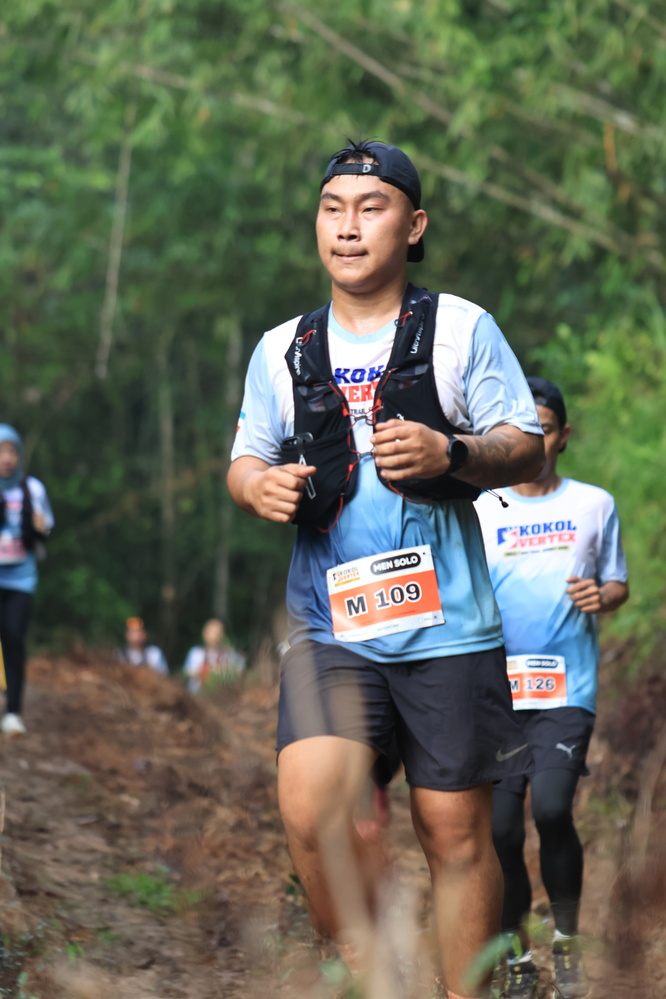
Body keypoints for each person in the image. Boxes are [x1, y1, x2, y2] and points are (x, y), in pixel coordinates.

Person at [227, 140, 545, 999]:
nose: (349, 226)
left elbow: (525, 443)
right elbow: (246, 459)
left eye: (371, 208)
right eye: (333, 208)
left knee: (453, 831)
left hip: (449, 628)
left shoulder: (462, 330)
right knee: (309, 807)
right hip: (330, 625)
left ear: (414, 225)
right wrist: (258, 487)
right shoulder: (283, 348)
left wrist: (455, 451)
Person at [475, 377, 629, 999]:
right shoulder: (482, 508)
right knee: (501, 833)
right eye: (523, 431)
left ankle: (566, 945)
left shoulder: (595, 505)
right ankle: (516, 957)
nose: (534, 442)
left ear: (564, 436)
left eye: (544, 430)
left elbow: (616, 584)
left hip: (567, 690)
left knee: (553, 809)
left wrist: (602, 596)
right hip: (497, 695)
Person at [0, 423, 54, 736]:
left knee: (13, 638)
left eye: (12, 451)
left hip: (21, 579)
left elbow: (46, 528)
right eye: (1, 452)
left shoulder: (32, 489)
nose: (7, 458)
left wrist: (41, 526)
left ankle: (13, 711)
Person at [182, 617, 245, 693]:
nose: (216, 636)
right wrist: (207, 673)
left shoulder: (230, 654)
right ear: (205, 633)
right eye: (213, 632)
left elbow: (241, 671)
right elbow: (187, 673)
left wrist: (224, 672)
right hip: (196, 695)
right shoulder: (196, 653)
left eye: (219, 632)